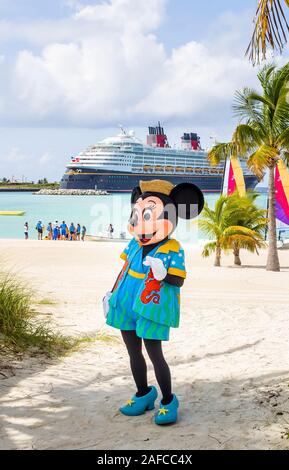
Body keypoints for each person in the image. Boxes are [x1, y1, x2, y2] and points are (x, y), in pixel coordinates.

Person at [103, 180, 204, 425]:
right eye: (137, 215)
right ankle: (144, 394)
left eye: (148, 215)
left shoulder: (172, 248)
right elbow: (124, 268)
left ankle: (168, 400)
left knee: (155, 354)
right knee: (132, 352)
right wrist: (111, 293)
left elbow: (178, 281)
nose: (140, 223)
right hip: (126, 301)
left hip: (152, 306)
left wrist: (163, 275)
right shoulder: (134, 244)